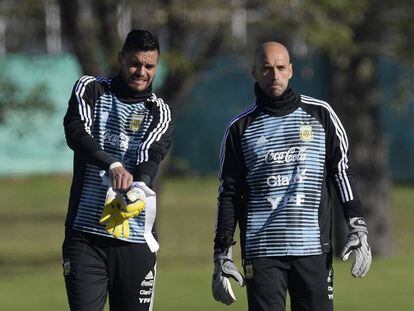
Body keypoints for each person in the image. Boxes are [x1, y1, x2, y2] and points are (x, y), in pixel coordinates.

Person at [212, 42, 372, 311]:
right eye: (266, 69)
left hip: (312, 248)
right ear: (254, 72)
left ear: (291, 70)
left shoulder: (321, 114)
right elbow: (228, 194)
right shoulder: (240, 128)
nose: (274, 75)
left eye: (280, 67)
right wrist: (222, 252)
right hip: (261, 250)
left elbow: (341, 172)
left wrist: (357, 225)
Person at [62, 29, 173, 311]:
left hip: (135, 241)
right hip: (86, 237)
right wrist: (112, 164)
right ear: (121, 59)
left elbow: (152, 155)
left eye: (150, 66)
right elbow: (76, 132)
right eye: (135, 63)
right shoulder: (91, 89)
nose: (142, 72)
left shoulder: (158, 111)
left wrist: (138, 186)